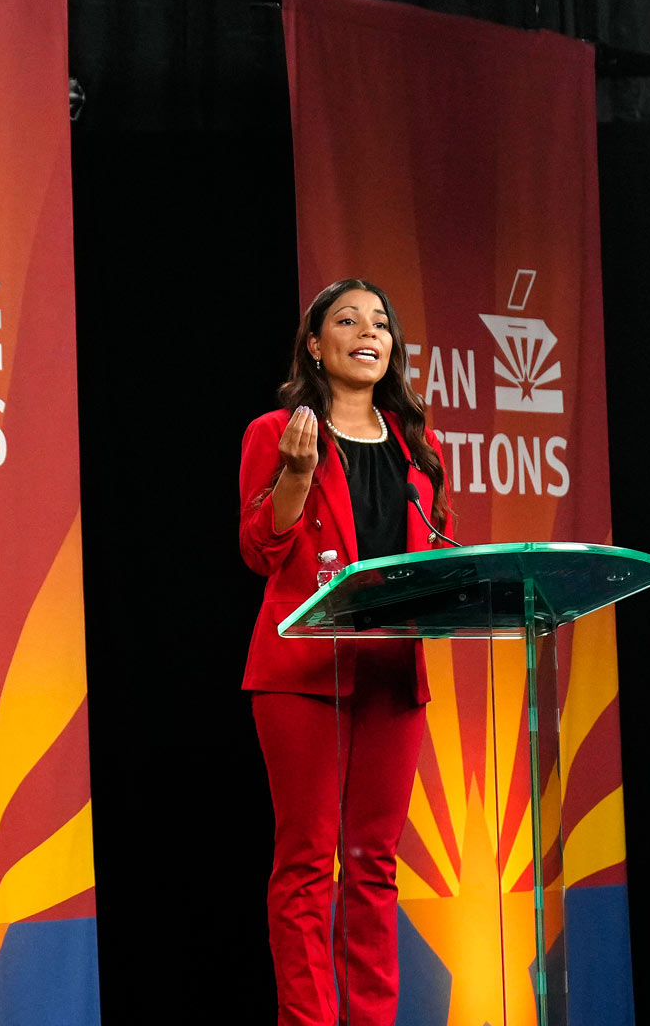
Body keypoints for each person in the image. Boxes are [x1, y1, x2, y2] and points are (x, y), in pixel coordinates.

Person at [237, 278, 454, 1026]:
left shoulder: (420, 450)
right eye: (348, 320)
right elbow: (261, 550)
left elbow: (436, 554)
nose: (370, 332)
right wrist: (297, 478)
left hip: (394, 676)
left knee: (373, 866)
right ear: (315, 344)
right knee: (305, 864)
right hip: (303, 675)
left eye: (382, 324)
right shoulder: (277, 432)